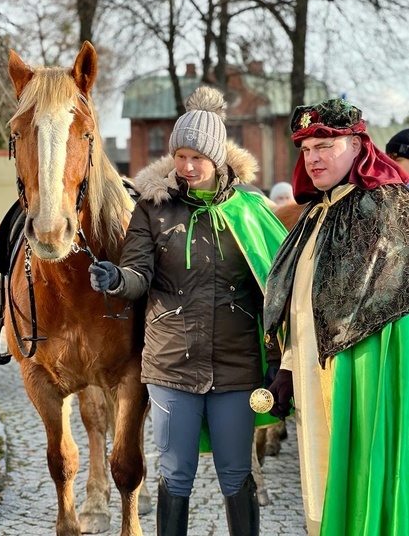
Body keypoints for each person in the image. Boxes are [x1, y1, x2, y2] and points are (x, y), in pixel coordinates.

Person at [89, 85, 287, 536]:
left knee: (237, 474)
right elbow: (137, 275)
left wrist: (277, 362)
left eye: (197, 157)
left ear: (217, 159)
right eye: (179, 156)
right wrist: (117, 280)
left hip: (236, 367)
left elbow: (277, 290)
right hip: (171, 365)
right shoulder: (152, 210)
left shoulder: (251, 211)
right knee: (176, 475)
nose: (187, 166)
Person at [263, 97, 409, 536]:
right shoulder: (317, 213)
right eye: (306, 149)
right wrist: (287, 367)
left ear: (358, 146)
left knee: (362, 476)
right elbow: (300, 302)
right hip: (313, 370)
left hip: (365, 373)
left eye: (325, 145)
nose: (313, 159)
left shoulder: (387, 207)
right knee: (321, 487)